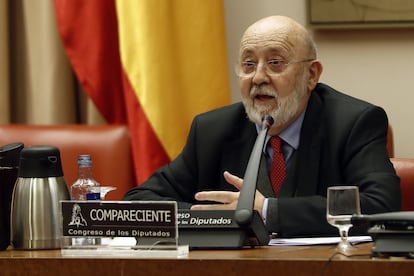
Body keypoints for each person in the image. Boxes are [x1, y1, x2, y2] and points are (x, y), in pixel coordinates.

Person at [124, 15, 400, 237]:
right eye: (248, 64)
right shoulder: (212, 130)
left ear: (311, 74)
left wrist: (267, 210)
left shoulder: (353, 123)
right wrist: (215, 218)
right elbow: (138, 203)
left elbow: (380, 206)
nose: (258, 77)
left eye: (275, 63)